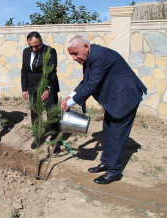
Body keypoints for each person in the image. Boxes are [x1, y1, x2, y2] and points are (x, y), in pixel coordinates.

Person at [61, 35, 147, 184]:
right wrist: (70, 97)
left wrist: (71, 103)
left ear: (86, 47)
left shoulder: (100, 56)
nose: (74, 58)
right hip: (115, 100)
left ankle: (114, 171)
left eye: (76, 54)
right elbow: (86, 81)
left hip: (125, 98)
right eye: (71, 55)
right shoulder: (89, 57)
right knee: (107, 132)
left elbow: (92, 85)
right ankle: (106, 162)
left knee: (117, 136)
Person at [21, 31, 60, 150]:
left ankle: (54, 140)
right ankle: (37, 137)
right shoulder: (26, 52)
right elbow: (24, 70)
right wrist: (24, 89)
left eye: (36, 46)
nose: (34, 49)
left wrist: (48, 88)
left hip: (48, 86)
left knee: (51, 113)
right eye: (31, 46)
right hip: (32, 87)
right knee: (35, 114)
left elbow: (52, 71)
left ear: (41, 41)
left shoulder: (50, 51)